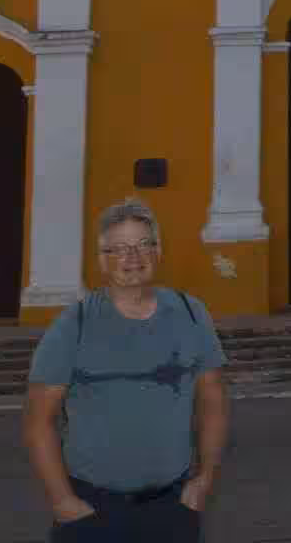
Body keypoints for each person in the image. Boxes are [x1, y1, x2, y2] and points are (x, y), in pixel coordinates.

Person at [24, 200, 229, 539]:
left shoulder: (191, 313)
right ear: (102, 260)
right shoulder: (74, 324)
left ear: (158, 252)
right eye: (118, 249)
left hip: (173, 506)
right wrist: (63, 501)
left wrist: (204, 480)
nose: (132, 257)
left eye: (142, 245)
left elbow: (213, 400)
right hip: (92, 509)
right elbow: (38, 422)